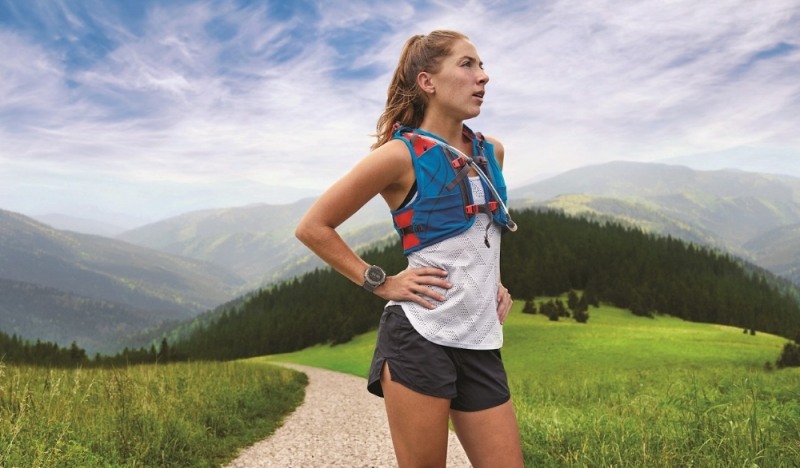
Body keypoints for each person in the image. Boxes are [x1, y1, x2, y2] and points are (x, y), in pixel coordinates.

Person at [295, 30, 524, 468]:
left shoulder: (491, 151)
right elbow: (313, 227)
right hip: (419, 336)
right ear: (428, 82)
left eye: (482, 65)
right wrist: (379, 281)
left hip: (479, 339)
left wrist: (495, 282)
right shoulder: (398, 156)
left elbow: (481, 234)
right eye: (468, 64)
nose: (484, 76)